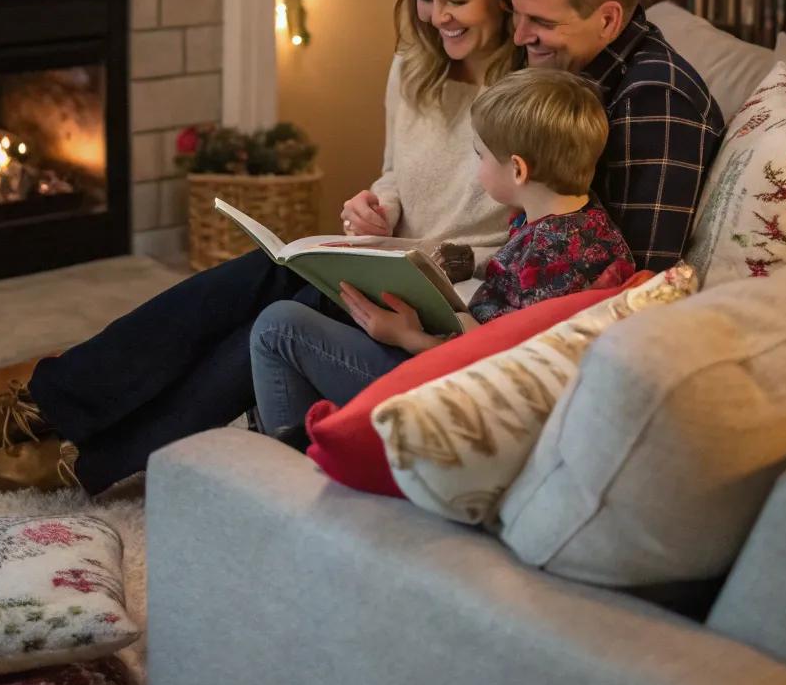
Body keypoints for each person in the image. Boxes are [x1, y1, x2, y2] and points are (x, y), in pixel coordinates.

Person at [0, 0, 522, 495]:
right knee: (259, 274)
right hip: (387, 257)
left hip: (447, 297)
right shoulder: (413, 66)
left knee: (267, 307)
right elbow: (394, 174)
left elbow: (524, 227)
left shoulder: (527, 99)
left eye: (457, 0)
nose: (437, 17)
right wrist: (377, 205)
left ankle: (68, 435)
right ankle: (56, 419)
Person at [249, 67, 634, 438]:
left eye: (480, 156)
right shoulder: (587, 227)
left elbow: (495, 367)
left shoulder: (550, 254)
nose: (478, 166)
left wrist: (405, 337)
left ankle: (293, 462)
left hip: (449, 392)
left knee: (277, 327)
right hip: (448, 359)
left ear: (517, 170)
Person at [499, 0, 724, 270]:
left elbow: (634, 276)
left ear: (608, 20)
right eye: (517, 14)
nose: (519, 36)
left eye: (542, 22)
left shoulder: (656, 99)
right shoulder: (570, 69)